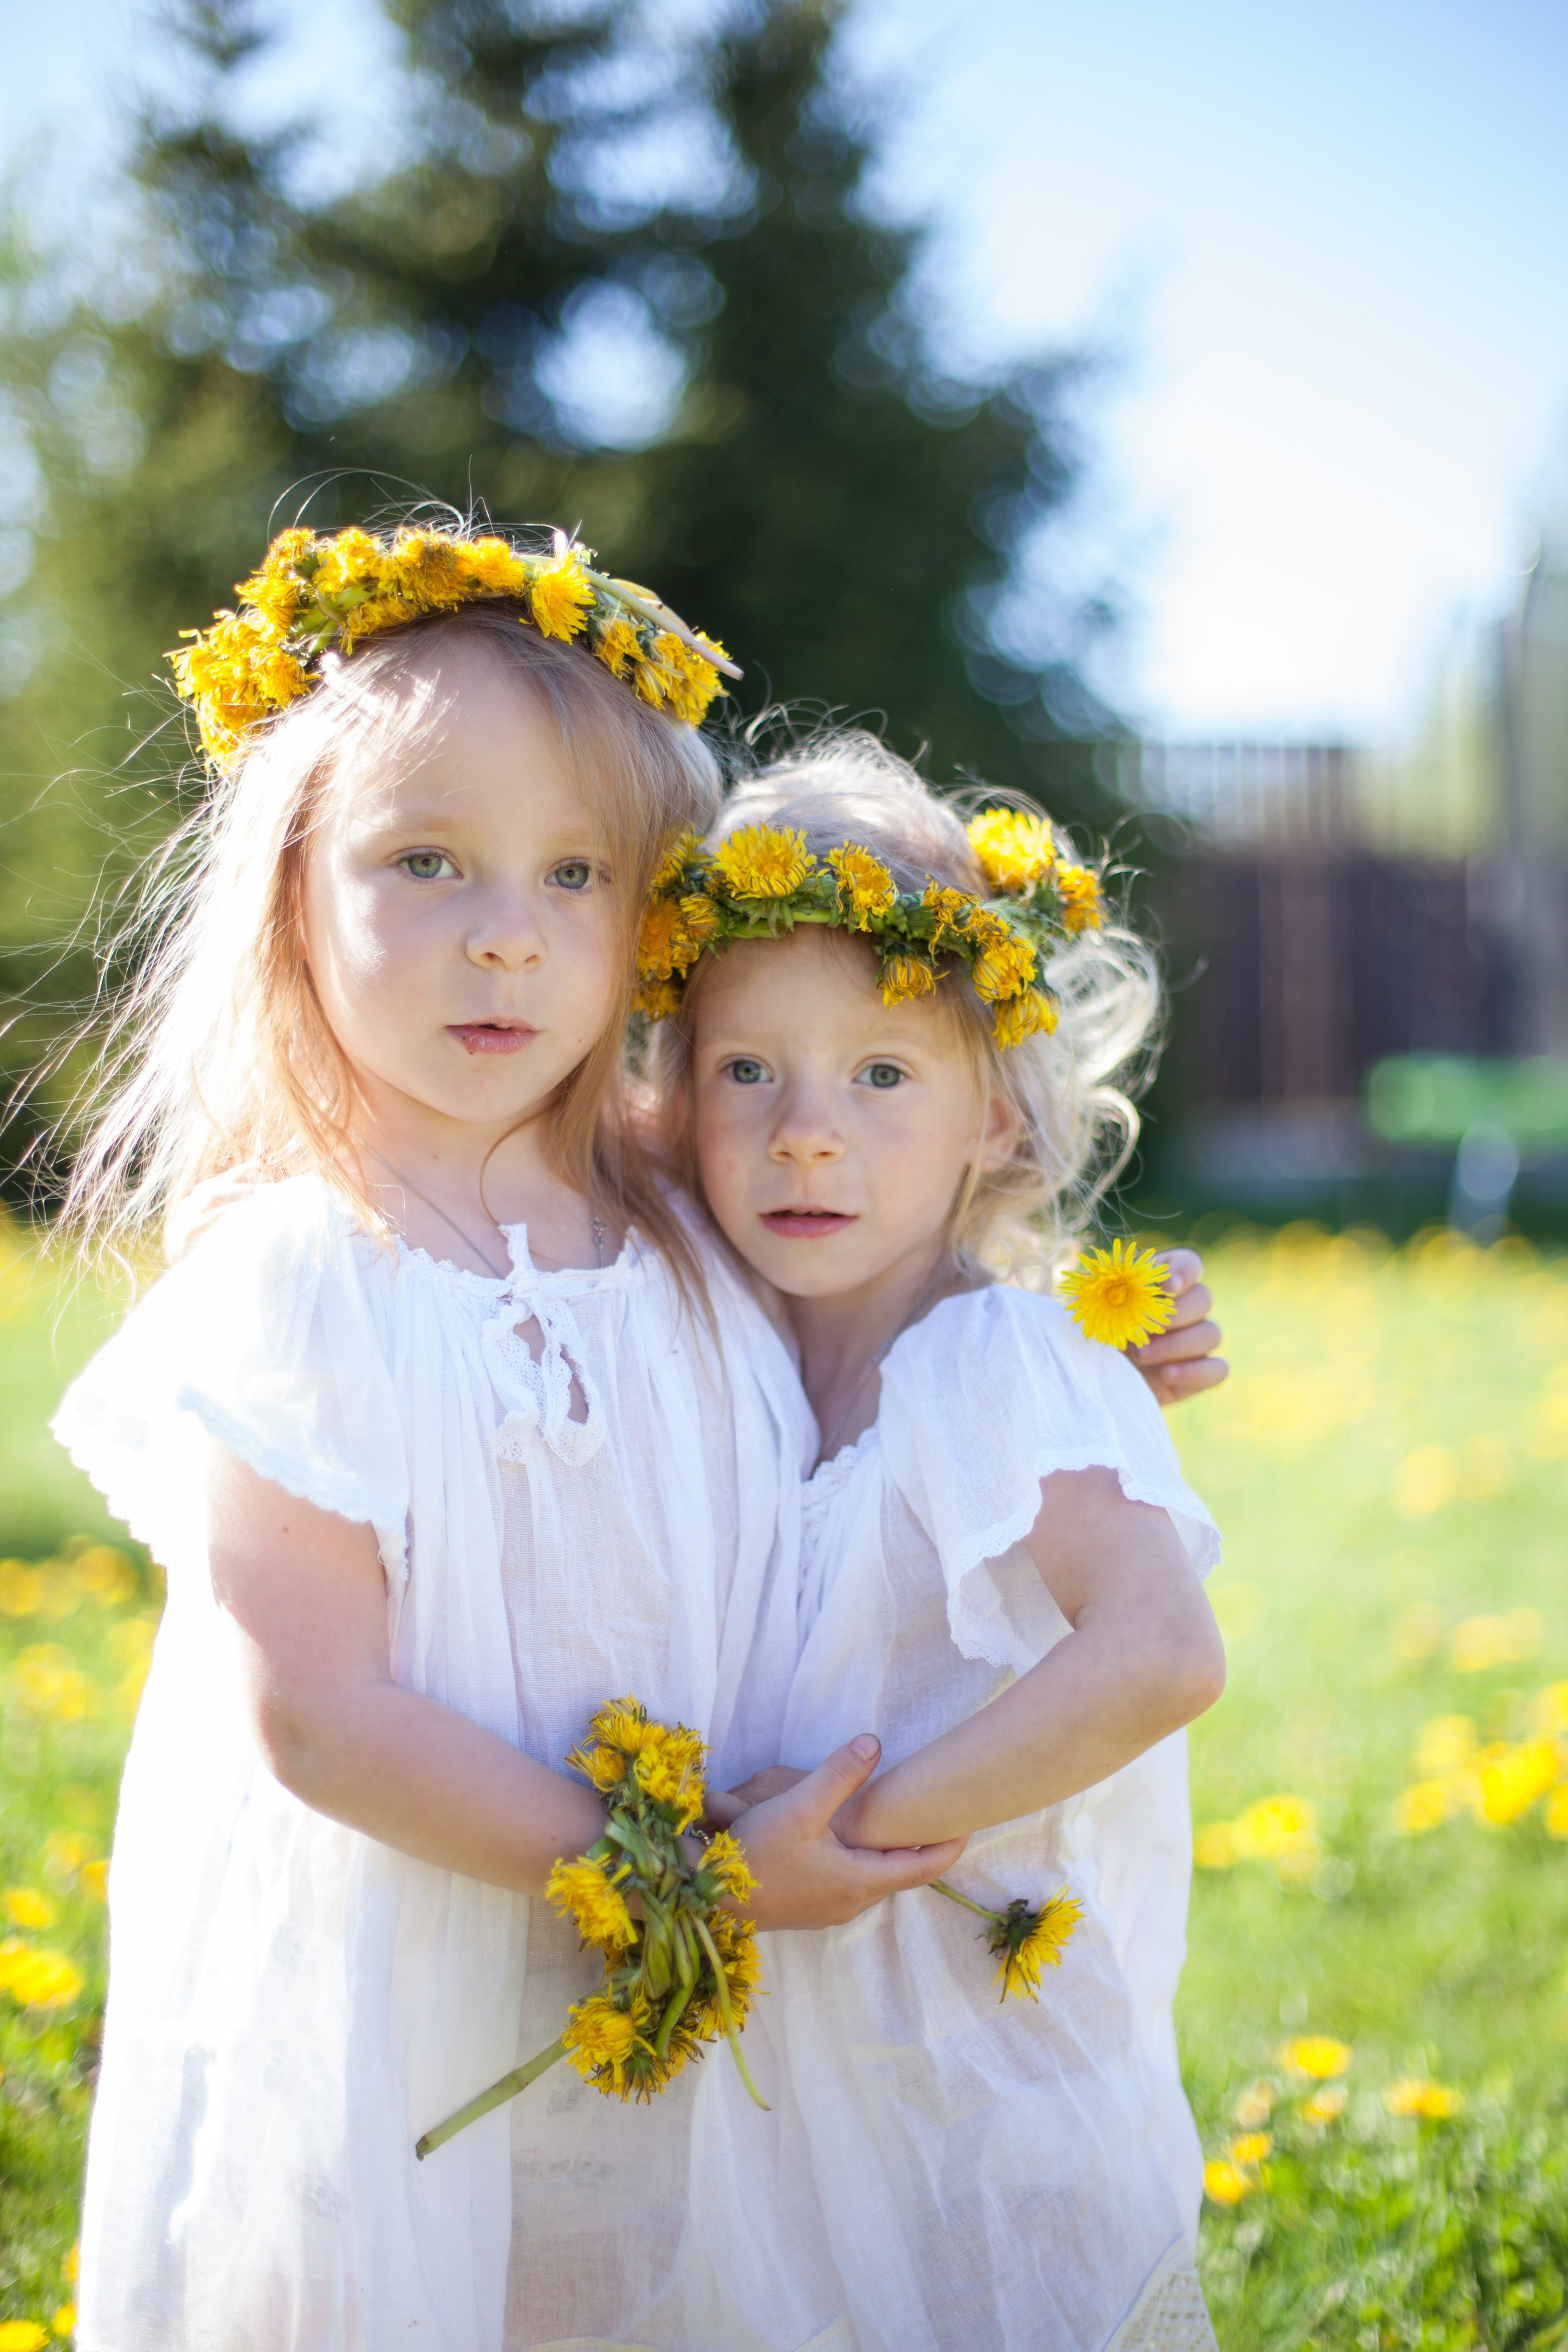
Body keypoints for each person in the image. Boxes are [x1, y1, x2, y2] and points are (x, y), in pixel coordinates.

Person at [50, 526, 987, 2352]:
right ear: (289, 897)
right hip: (408, 2003)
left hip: (699, 2012)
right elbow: (319, 1715)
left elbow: (885, 1346)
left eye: (576, 874)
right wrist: (691, 1885)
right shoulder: (308, 1278)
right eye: (428, 862)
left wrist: (1083, 1360)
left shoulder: (684, 1225)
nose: (506, 932)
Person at [644, 735, 1227, 2351]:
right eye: (745, 1070)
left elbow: (1161, 1651)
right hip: (801, 2079)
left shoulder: (997, 1362)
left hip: (977, 2084)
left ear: (995, 1117)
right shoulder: (725, 1367)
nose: (806, 1132)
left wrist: (859, 1830)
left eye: (883, 1077)